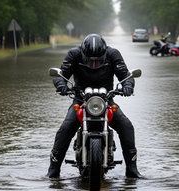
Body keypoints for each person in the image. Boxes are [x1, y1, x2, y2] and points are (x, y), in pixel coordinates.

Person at [47, 33, 142, 179]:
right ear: (83, 53)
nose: (93, 63)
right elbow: (61, 74)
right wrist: (61, 85)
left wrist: (128, 85)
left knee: (126, 126)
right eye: (90, 60)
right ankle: (53, 171)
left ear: (104, 53)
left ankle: (132, 170)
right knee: (66, 127)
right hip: (80, 100)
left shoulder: (113, 54)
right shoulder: (74, 54)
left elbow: (125, 75)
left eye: (97, 61)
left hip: (106, 101)